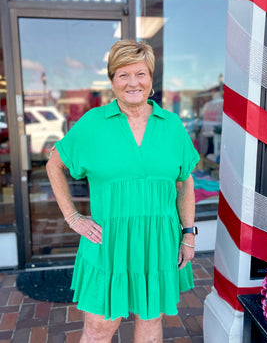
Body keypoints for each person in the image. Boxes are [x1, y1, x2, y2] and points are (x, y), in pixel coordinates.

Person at [46, 39, 200, 343]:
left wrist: (189, 234)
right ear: (112, 81)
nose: (133, 83)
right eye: (123, 75)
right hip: (108, 241)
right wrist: (73, 217)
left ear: (151, 78)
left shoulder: (171, 125)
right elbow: (54, 166)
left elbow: (185, 183)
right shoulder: (93, 123)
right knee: (99, 329)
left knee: (150, 320)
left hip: (158, 241)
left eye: (140, 74)